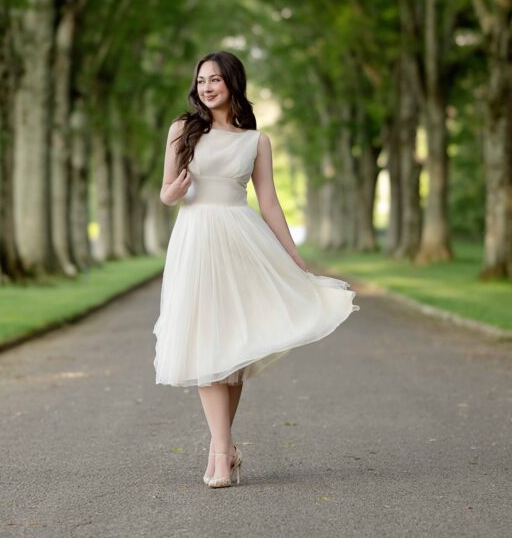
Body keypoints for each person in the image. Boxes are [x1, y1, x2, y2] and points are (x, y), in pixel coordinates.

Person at [153, 50, 360, 489]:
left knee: (234, 349)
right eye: (201, 80)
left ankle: (222, 451)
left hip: (241, 243)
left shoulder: (255, 141)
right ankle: (223, 451)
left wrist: (296, 262)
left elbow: (269, 204)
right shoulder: (182, 130)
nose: (207, 87)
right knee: (205, 342)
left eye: (216, 80)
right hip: (195, 242)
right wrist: (175, 189)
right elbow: (166, 195)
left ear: (233, 84)